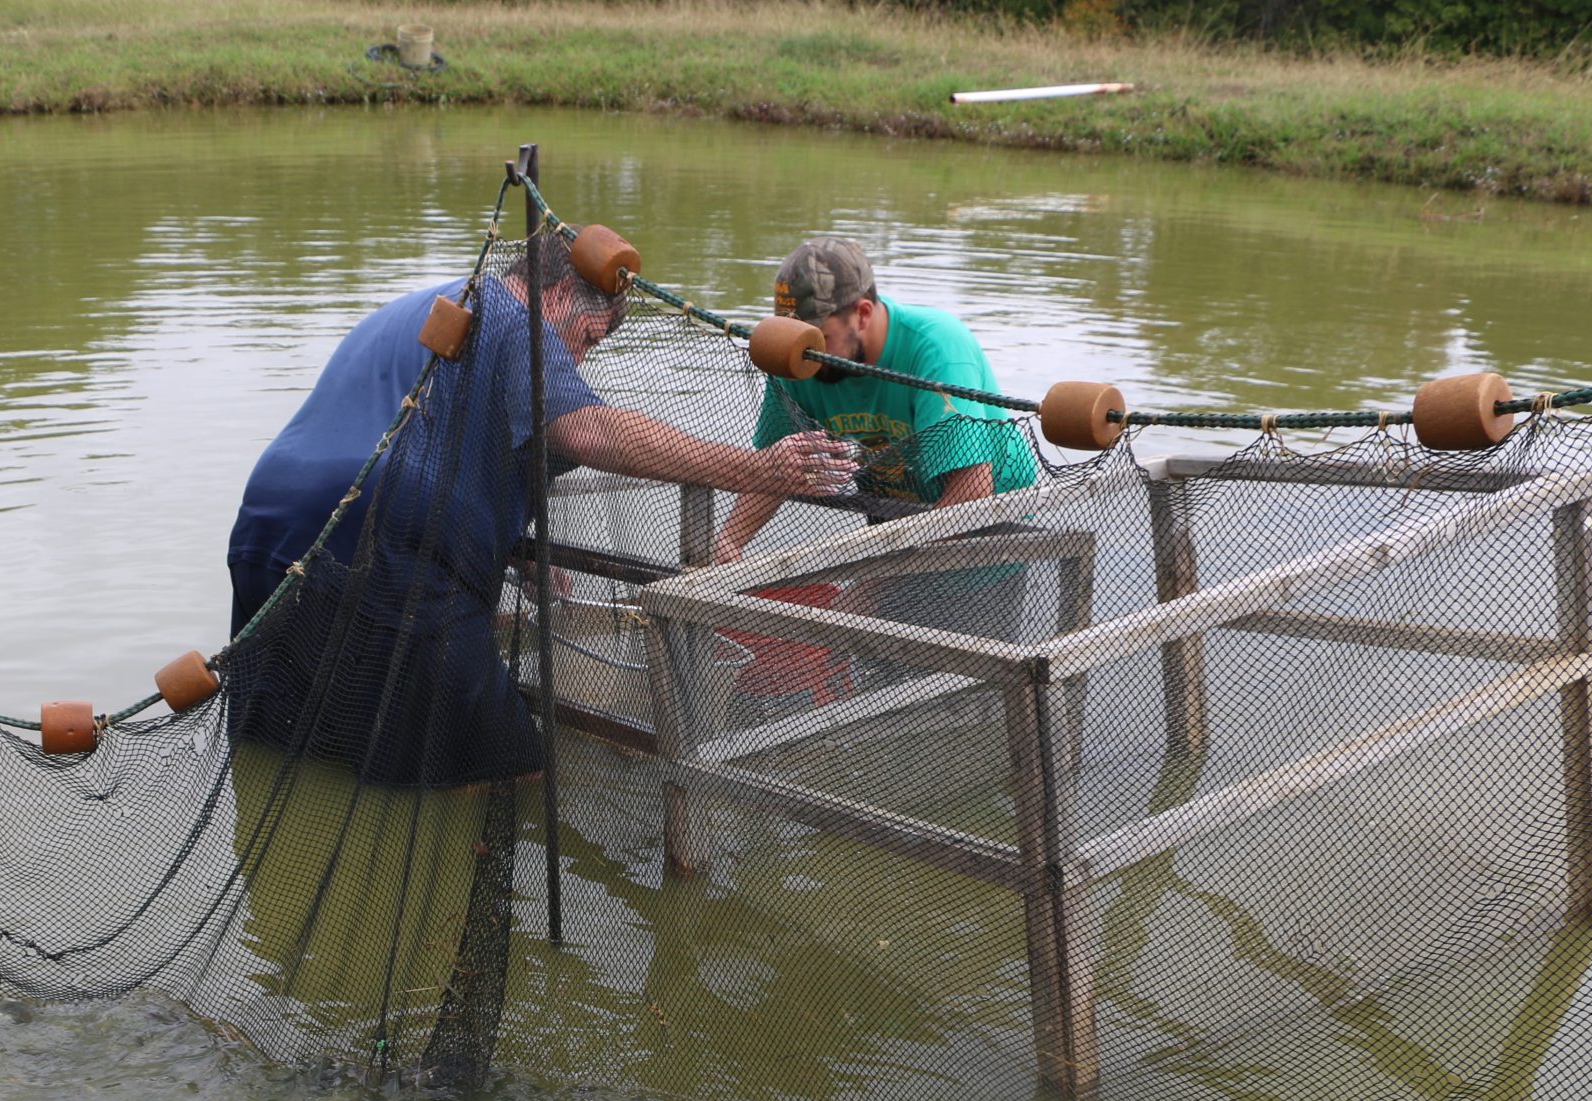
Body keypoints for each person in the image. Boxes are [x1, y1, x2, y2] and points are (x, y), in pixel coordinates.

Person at [223, 242, 855, 788]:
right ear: (556, 295)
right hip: (387, 548)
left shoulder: (428, 304)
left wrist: (514, 552)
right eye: (587, 339)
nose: (578, 362)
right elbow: (592, 429)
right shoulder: (515, 316)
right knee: (511, 766)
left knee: (298, 744)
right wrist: (759, 470)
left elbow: (441, 438)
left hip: (269, 531)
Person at [714, 237, 1039, 650]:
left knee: (960, 692)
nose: (806, 355)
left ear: (863, 314)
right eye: (795, 337)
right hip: (895, 526)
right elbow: (779, 468)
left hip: (982, 547)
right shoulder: (798, 357)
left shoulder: (936, 349)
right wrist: (730, 541)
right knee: (879, 677)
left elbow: (972, 493)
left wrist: (870, 586)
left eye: (820, 338)